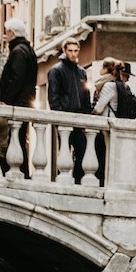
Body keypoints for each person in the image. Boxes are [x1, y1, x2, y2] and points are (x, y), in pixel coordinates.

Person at [46, 38, 92, 182]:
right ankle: (65, 179)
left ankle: (77, 181)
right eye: (70, 51)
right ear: (64, 51)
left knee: (82, 151)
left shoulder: (81, 72)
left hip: (79, 118)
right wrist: (59, 114)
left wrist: (86, 114)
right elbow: (53, 96)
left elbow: (86, 95)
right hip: (65, 118)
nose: (73, 54)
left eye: (76, 51)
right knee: (65, 150)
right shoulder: (56, 71)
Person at [0, 18, 38, 175]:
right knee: (19, 139)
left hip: (17, 103)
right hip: (24, 101)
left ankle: (20, 172)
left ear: (12, 33)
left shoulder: (18, 51)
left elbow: (16, 78)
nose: (6, 36)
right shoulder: (28, 50)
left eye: (7, 32)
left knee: (15, 138)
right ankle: (23, 172)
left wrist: (6, 100)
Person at [90, 56, 120, 184]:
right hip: (107, 122)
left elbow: (100, 106)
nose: (100, 70)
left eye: (102, 67)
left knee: (105, 153)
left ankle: (105, 180)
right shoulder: (111, 83)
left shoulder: (108, 85)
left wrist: (92, 112)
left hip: (107, 122)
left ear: (106, 69)